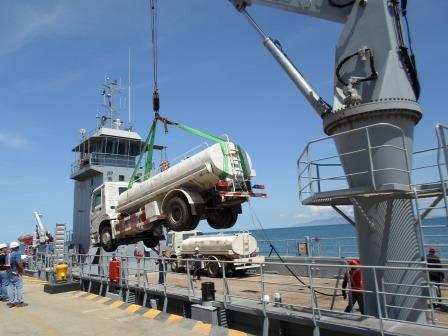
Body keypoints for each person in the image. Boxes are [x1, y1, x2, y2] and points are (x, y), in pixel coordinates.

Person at [7, 241, 27, 308]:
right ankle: (20, 302)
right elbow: (18, 262)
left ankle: (11, 302)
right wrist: (23, 269)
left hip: (9, 273)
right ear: (16, 247)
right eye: (18, 247)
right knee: (19, 288)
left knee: (10, 288)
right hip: (16, 273)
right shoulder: (17, 254)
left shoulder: (8, 255)